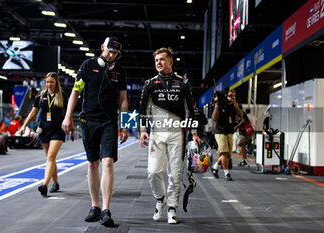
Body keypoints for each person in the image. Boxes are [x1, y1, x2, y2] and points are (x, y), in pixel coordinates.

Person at [61, 37, 129, 227]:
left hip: (109, 122)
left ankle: (106, 210)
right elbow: (75, 91)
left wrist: (124, 125)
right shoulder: (88, 66)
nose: (112, 55)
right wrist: (67, 117)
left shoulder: (119, 71)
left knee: (107, 162)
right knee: (92, 164)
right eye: (109, 51)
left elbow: (123, 100)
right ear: (101, 48)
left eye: (115, 53)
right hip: (88, 121)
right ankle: (95, 206)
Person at [139, 47, 201, 224]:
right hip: (157, 133)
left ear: (171, 62)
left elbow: (190, 110)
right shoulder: (149, 83)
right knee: (153, 172)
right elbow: (142, 109)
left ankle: (172, 208)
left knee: (175, 174)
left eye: (162, 59)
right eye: (156, 60)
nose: (159, 62)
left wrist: (194, 132)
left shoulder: (183, 83)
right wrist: (143, 130)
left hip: (177, 134)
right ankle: (160, 199)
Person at [20, 72, 73, 197]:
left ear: (56, 83)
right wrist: (24, 125)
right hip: (44, 129)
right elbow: (33, 113)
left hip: (57, 130)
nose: (49, 84)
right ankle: (56, 183)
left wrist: (71, 130)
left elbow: (68, 114)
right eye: (47, 82)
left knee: (50, 157)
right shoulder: (41, 96)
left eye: (52, 82)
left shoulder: (62, 96)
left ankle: (44, 185)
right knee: (50, 158)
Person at [211, 89, 243, 181]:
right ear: (226, 96)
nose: (232, 97)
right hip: (220, 132)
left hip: (229, 132)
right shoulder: (220, 105)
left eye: (233, 96)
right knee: (224, 153)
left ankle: (215, 167)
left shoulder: (233, 106)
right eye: (230, 96)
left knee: (228, 155)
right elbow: (214, 118)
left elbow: (241, 114)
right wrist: (217, 105)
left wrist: (235, 104)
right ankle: (226, 173)